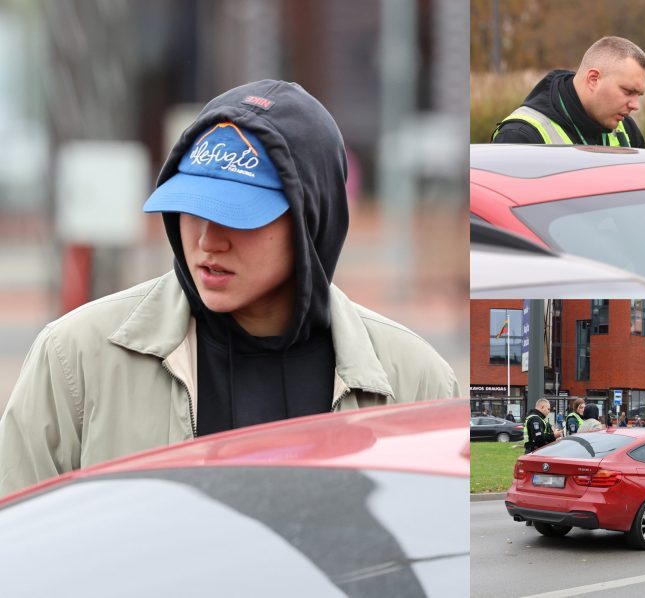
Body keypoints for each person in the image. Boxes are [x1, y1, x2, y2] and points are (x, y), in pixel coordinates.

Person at [0, 80, 459, 495]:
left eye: (238, 214)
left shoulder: (418, 381)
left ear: (310, 219)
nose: (207, 240)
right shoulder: (75, 357)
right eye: (193, 207)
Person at [491, 36, 645, 147]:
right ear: (593, 79)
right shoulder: (519, 136)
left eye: (639, 95)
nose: (635, 105)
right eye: (628, 91)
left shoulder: (627, 129)